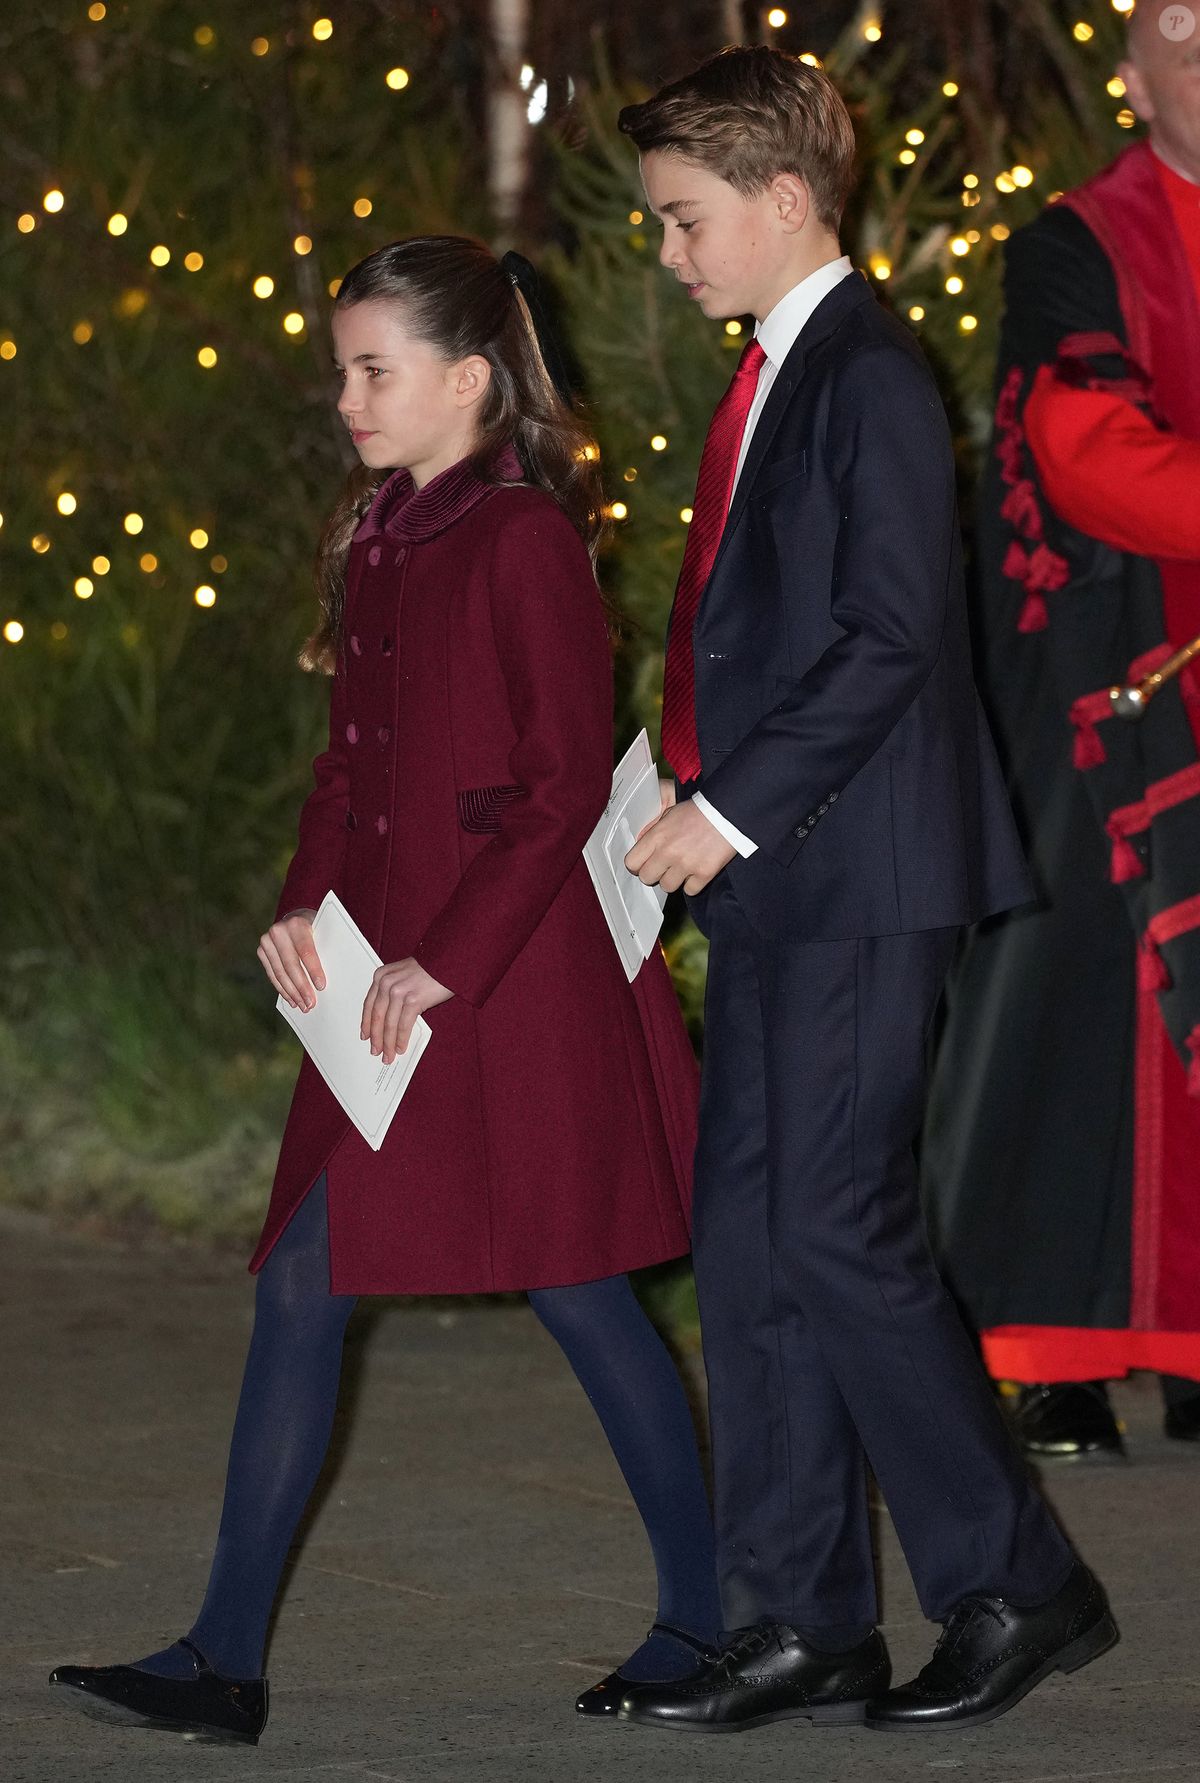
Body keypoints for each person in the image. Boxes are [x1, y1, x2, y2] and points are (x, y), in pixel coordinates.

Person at [48, 236, 723, 1747]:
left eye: (375, 369)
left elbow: (558, 794)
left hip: (513, 981)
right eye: (343, 367)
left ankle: (709, 1611)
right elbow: (350, 770)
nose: (346, 395)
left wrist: (447, 962)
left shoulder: (525, 541)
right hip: (388, 984)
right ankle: (224, 1660)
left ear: (470, 381)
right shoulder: (378, 534)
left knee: (578, 1284)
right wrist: (306, 910)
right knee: (302, 1277)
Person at [616, 47, 1116, 1736]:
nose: (669, 253)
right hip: (787, 867)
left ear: (782, 199)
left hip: (855, 869)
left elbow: (895, 634)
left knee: (836, 1230)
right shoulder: (782, 369)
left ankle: (1018, 1584)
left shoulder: (871, 374)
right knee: (750, 1242)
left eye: (686, 221)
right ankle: (804, 1617)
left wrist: (730, 807)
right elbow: (766, 627)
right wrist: (683, 776)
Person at [923, 0, 1200, 1461]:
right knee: (1075, 998)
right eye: (1181, 21)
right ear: (1131, 66)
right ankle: (1056, 1355)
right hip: (1109, 675)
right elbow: (1084, 453)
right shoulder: (1075, 240)